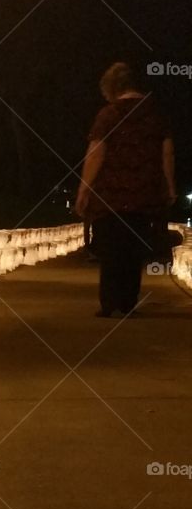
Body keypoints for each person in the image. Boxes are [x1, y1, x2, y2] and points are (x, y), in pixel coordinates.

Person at [75, 61, 176, 317]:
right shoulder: (155, 114)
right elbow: (166, 152)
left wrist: (84, 189)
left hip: (110, 194)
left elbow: (96, 153)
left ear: (112, 88)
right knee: (133, 249)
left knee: (110, 249)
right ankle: (129, 302)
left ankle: (109, 302)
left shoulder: (109, 115)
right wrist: (169, 185)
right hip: (144, 192)